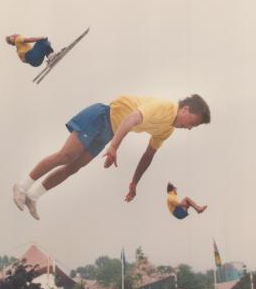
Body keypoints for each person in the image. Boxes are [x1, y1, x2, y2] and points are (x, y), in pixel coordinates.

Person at [13, 94, 211, 220]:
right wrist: (114, 146)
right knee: (67, 155)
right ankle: (22, 186)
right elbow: (131, 118)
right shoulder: (164, 107)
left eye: (194, 126)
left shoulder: (167, 130)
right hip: (100, 117)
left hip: (109, 132)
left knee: (74, 167)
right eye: (192, 122)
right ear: (185, 109)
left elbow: (148, 155)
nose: (190, 127)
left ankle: (32, 196)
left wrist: (134, 183)